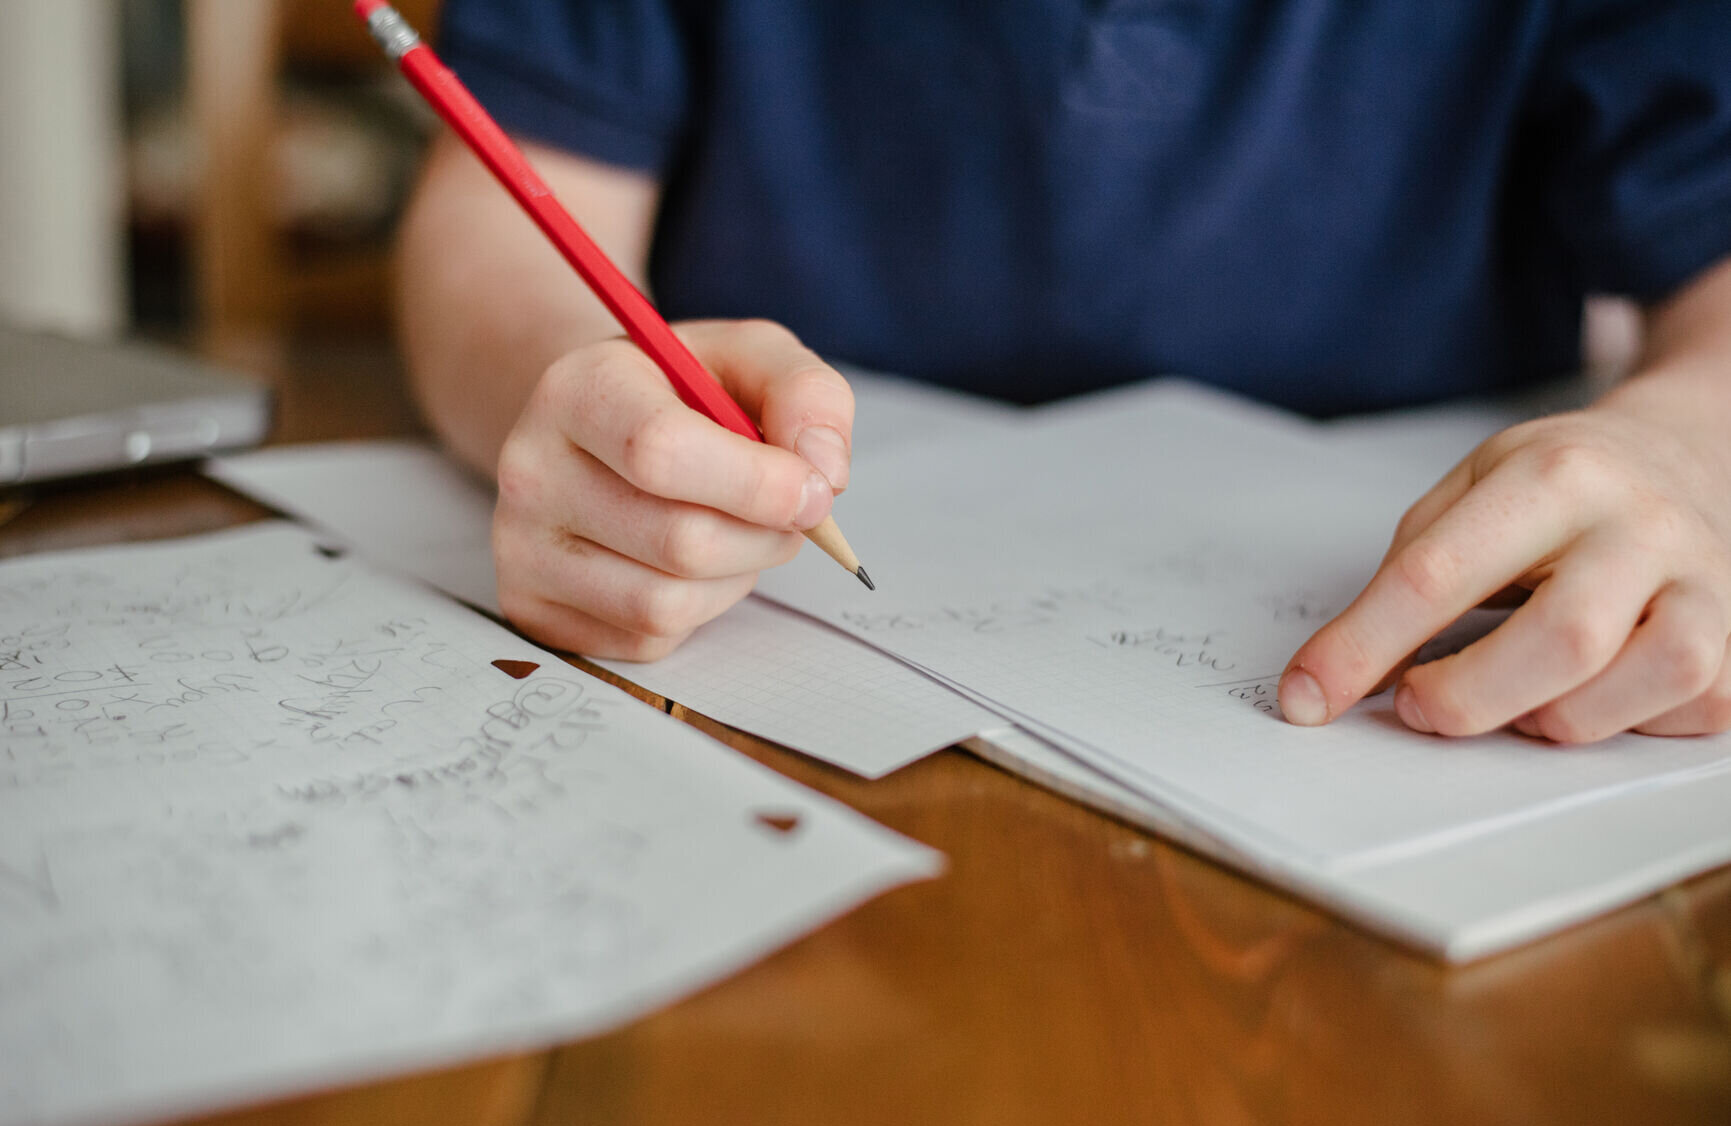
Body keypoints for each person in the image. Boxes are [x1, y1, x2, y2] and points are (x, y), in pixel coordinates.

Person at [396, 1, 1731, 744]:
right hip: (749, 652)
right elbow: (505, 209)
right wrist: (571, 386)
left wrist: (1685, 441)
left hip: (1443, 589)